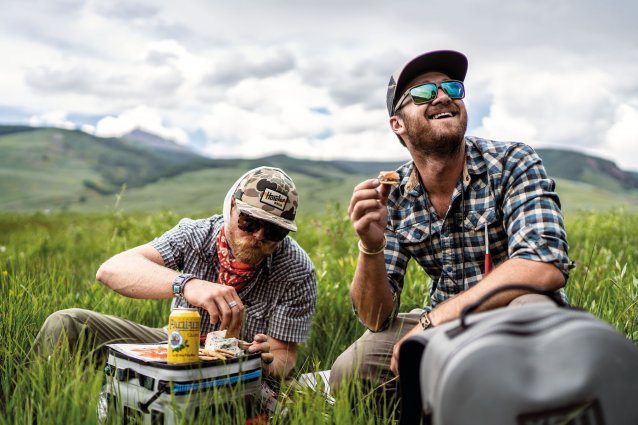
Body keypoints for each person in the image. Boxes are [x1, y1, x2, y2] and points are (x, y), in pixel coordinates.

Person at [329, 50, 574, 396]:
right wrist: (371, 247)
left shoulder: (512, 162)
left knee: (531, 316)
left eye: (453, 89)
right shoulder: (394, 195)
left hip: (512, 309)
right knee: (351, 372)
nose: (443, 96)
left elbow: (544, 264)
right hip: (442, 323)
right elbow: (375, 318)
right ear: (397, 124)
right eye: (424, 93)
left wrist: (433, 321)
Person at [32, 167, 317, 379]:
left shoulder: (296, 269)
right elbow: (111, 270)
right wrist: (187, 284)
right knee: (67, 324)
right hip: (175, 344)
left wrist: (265, 362)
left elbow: (284, 356)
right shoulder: (194, 235)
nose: (258, 236)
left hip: (240, 370)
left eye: (274, 231)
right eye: (249, 221)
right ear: (231, 207)